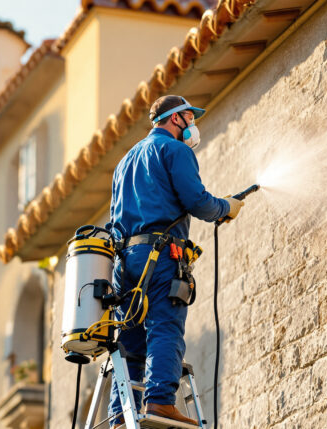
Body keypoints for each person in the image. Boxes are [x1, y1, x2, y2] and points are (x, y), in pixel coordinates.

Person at [108, 95, 243, 427]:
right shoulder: (175, 151)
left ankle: (119, 416)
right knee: (165, 326)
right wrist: (225, 208)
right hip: (161, 256)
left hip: (125, 262)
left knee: (129, 339)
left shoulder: (124, 162)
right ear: (176, 119)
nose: (193, 125)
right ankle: (159, 401)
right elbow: (196, 201)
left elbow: (114, 219)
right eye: (190, 118)